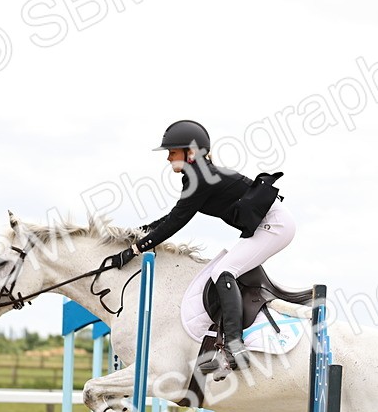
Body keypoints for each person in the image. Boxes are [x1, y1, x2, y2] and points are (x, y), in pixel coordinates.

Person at [101, 120, 295, 372]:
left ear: (191, 153)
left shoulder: (201, 178)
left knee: (222, 273)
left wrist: (135, 250)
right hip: (266, 226)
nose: (168, 158)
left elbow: (177, 221)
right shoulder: (198, 175)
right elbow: (173, 216)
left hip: (275, 226)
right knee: (223, 272)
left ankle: (235, 349)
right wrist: (136, 235)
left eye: (172, 152)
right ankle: (225, 343)